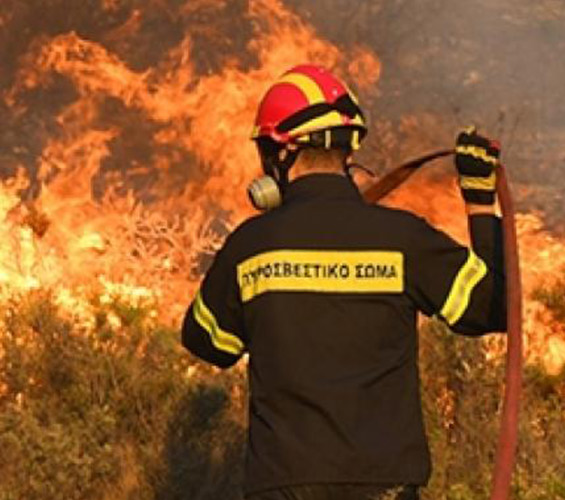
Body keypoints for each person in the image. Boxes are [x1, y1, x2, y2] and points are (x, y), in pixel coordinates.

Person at [181, 64, 507, 500]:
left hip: (285, 482)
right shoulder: (402, 238)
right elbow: (490, 309)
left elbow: (207, 342)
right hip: (385, 482)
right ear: (348, 152)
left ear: (281, 153)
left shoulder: (252, 246)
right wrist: (480, 205)